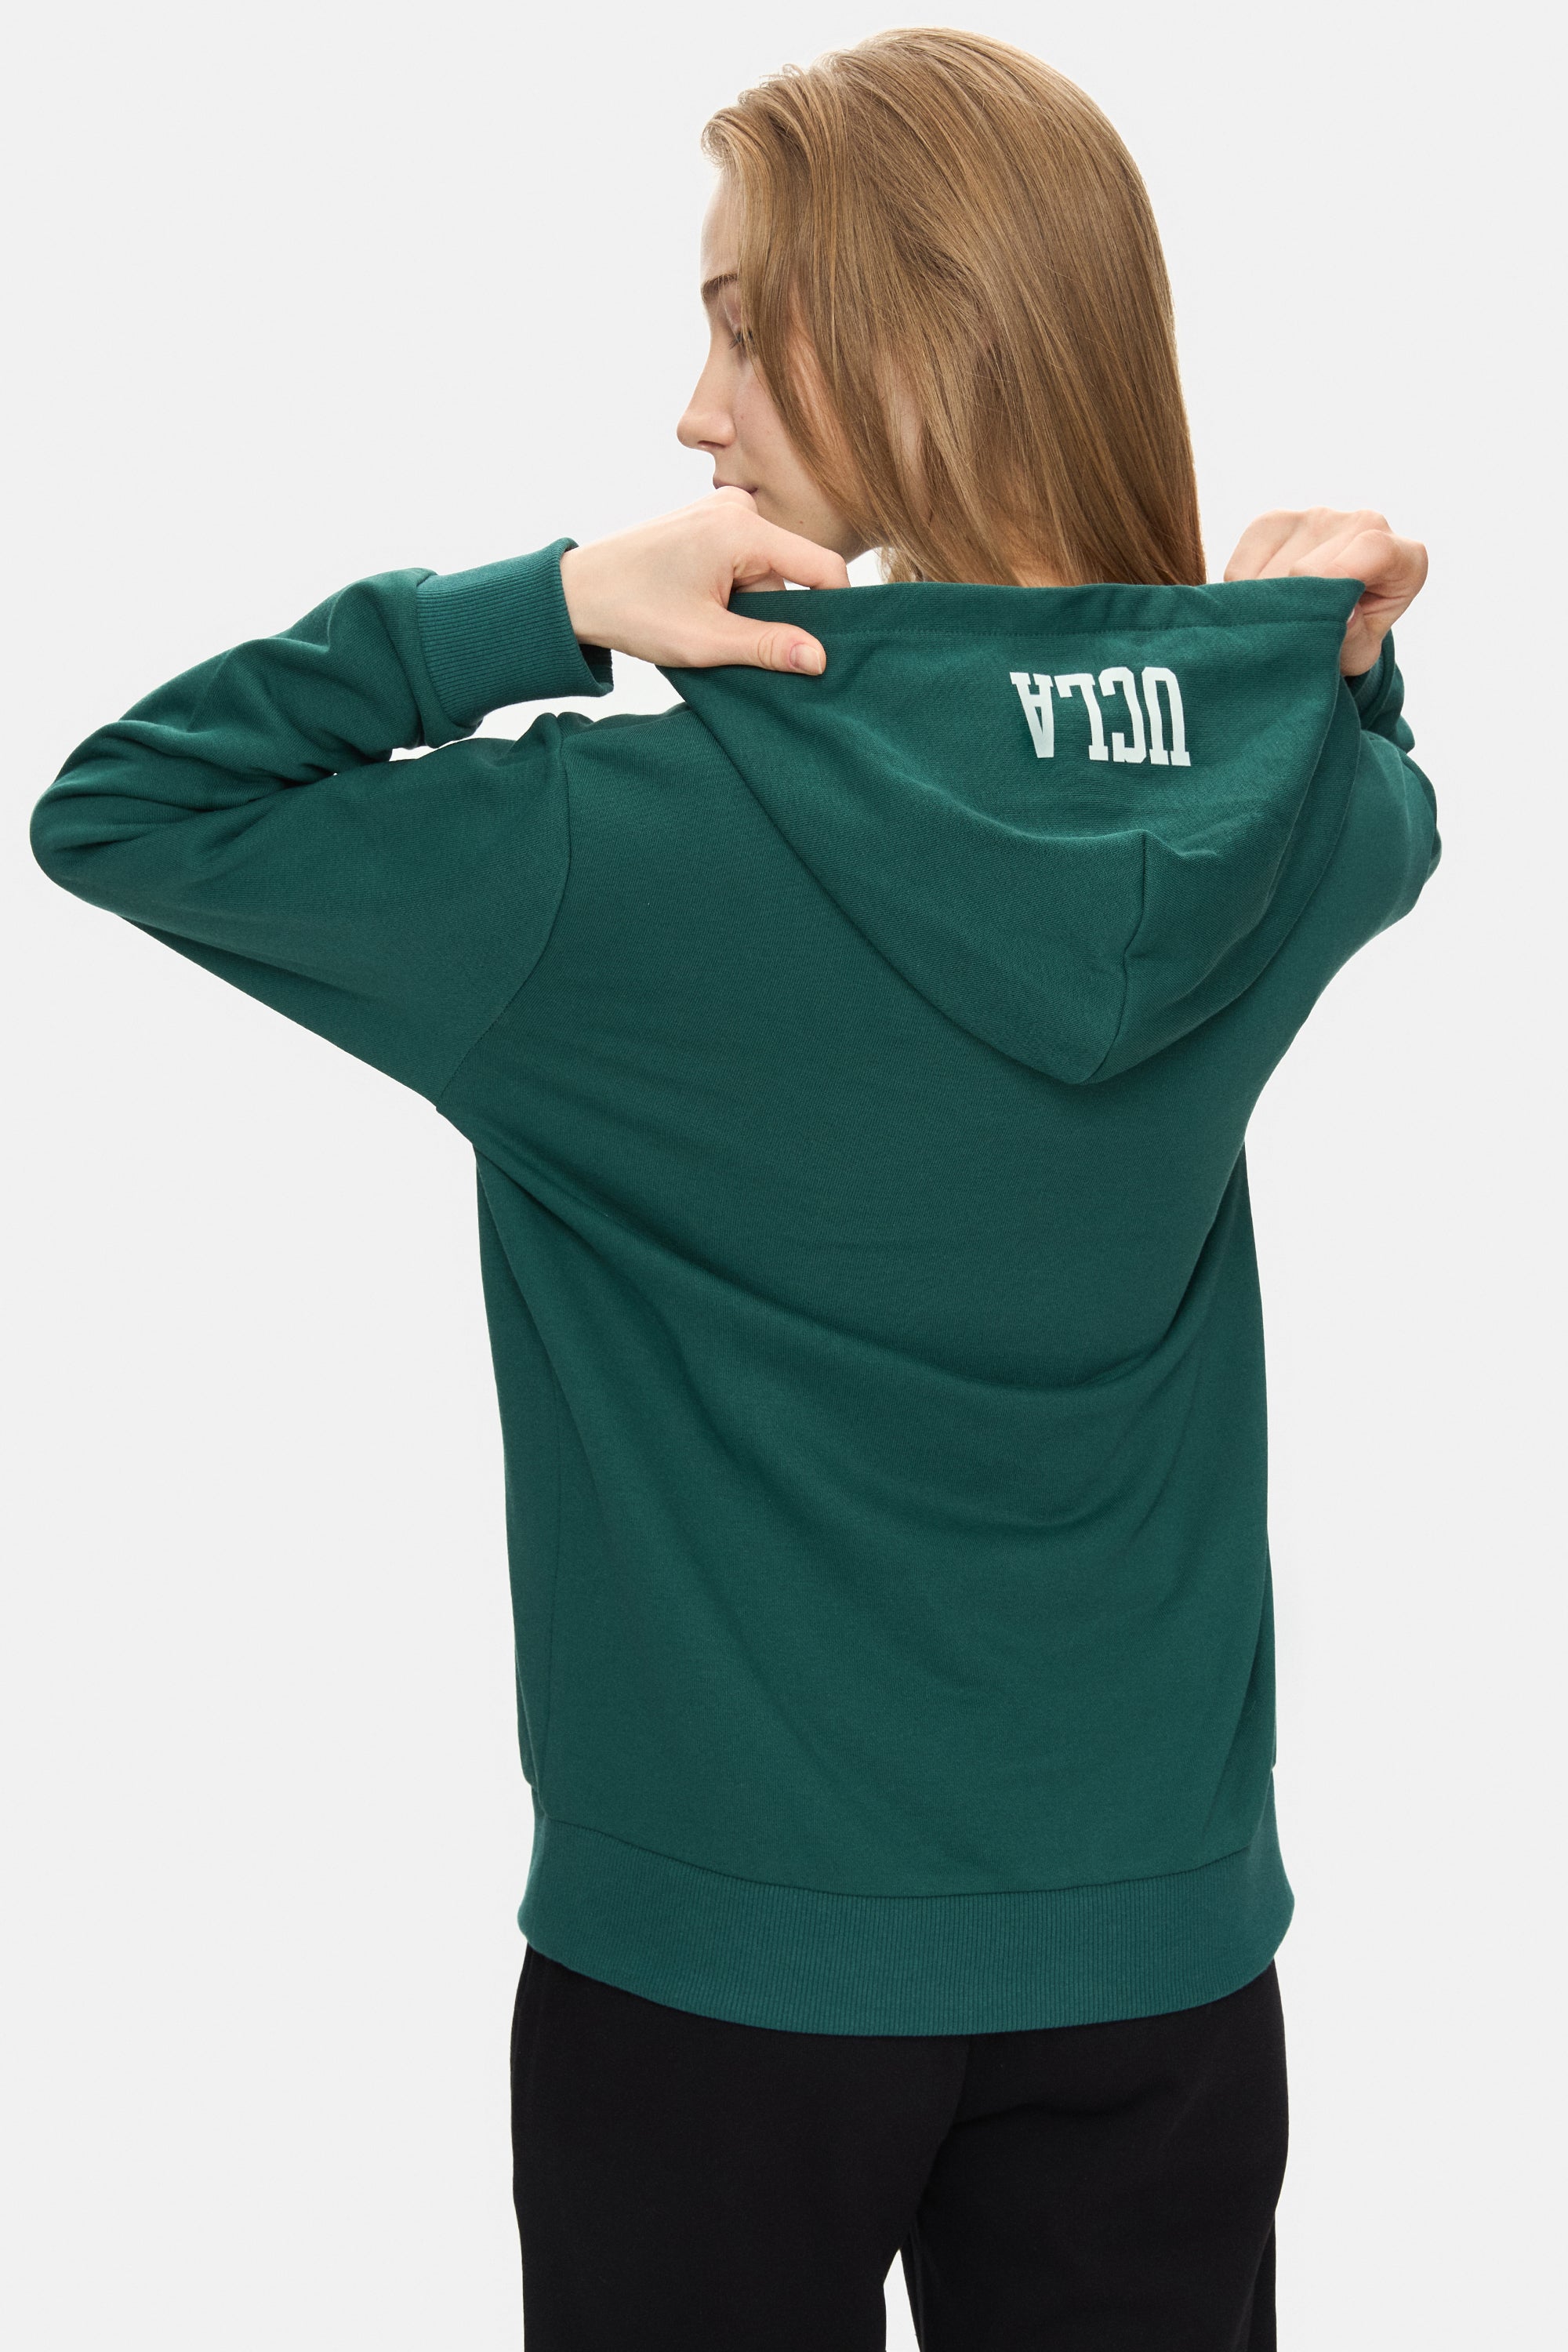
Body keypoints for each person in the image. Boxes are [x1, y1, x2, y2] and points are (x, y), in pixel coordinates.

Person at [30, 27, 1436, 2352]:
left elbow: (128, 807)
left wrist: (555, 600)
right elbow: (1378, 795)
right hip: (1164, 1971)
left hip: (718, 1982)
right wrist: (1313, 669)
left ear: (919, 344)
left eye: (743, 328)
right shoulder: (1292, 830)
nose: (694, 413)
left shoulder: (595, 858)